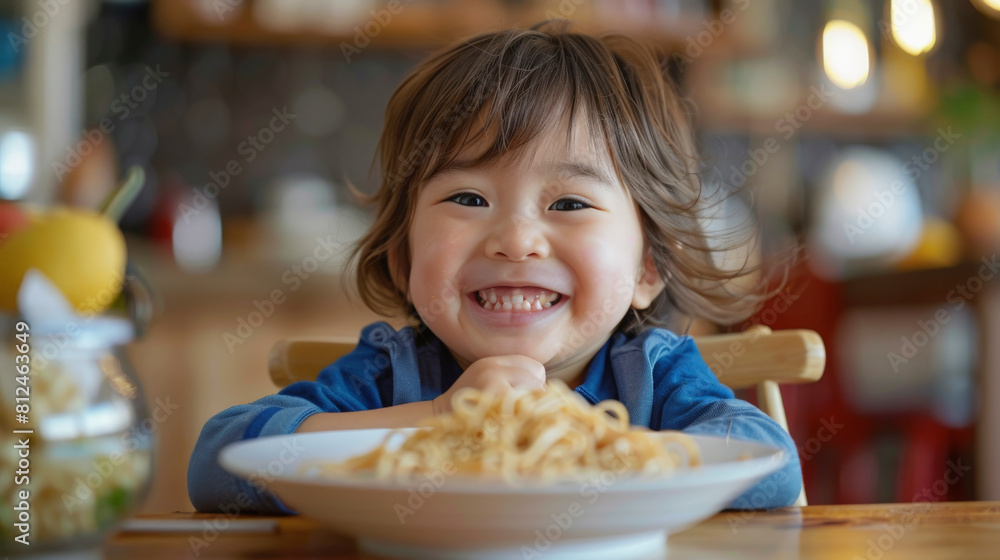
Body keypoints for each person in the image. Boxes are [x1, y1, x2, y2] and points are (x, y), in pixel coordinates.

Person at [188, 20, 801, 514]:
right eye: (468, 199)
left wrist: (590, 448)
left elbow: (770, 462)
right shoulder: (390, 376)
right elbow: (218, 461)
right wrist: (434, 420)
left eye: (569, 203)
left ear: (647, 269)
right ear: (403, 258)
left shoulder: (652, 377)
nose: (515, 241)